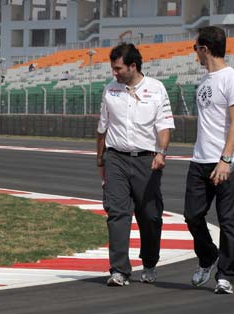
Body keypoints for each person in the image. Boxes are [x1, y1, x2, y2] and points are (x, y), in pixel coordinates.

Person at [96, 43, 175, 286]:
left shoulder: (156, 89)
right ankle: (119, 270)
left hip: (147, 160)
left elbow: (164, 126)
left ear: (133, 66)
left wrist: (161, 152)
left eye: (118, 68)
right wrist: (101, 161)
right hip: (116, 158)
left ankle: (149, 262)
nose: (114, 73)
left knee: (150, 215)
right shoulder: (110, 90)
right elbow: (102, 129)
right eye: (113, 69)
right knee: (117, 213)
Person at [184, 26, 234, 294]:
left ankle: (225, 275)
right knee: (192, 216)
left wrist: (226, 159)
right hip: (199, 159)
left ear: (204, 49)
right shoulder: (203, 81)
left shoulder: (231, 78)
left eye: (196, 49)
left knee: (228, 221)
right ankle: (208, 256)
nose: (195, 55)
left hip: (226, 161)